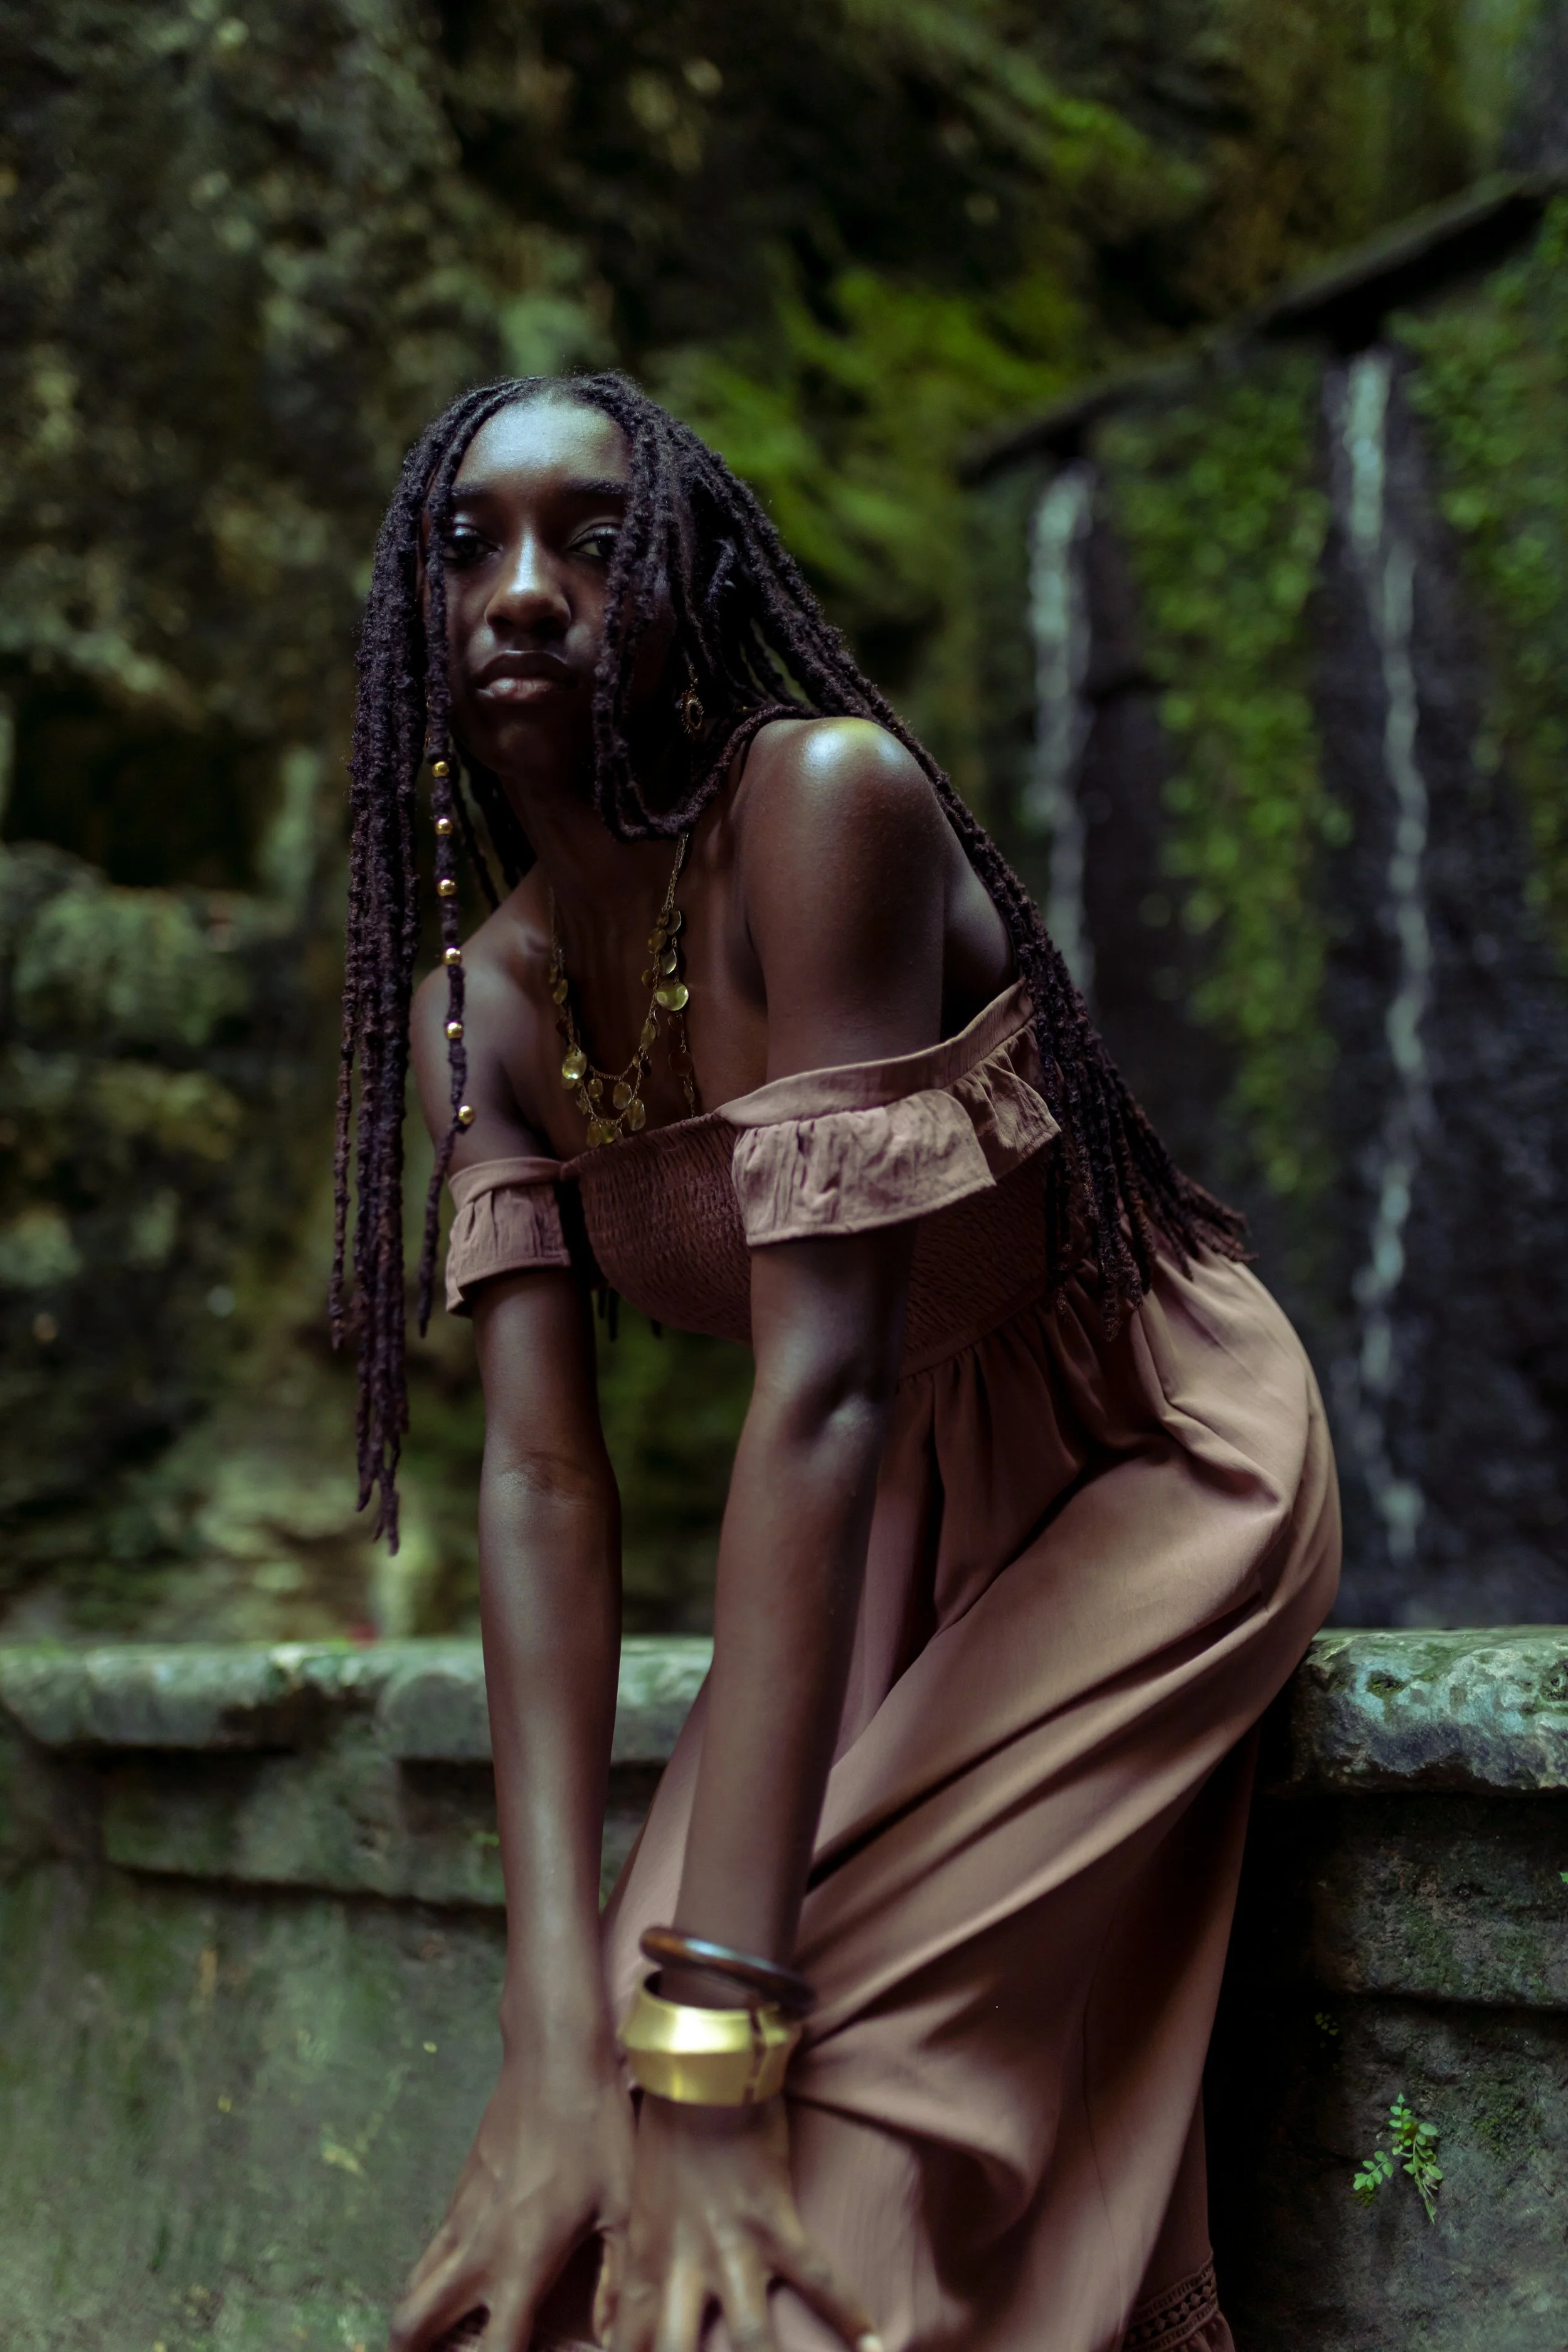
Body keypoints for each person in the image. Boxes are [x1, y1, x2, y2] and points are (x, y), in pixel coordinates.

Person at [332, 372, 1340, 2352]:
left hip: (1138, 1460)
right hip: (875, 1528)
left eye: (594, 542)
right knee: (562, 2243)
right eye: (468, 545)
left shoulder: (821, 804)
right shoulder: (479, 1013)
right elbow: (540, 1481)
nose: (521, 591)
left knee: (794, 2216)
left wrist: (710, 2020)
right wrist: (554, 2039)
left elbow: (825, 1380)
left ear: (692, 586)